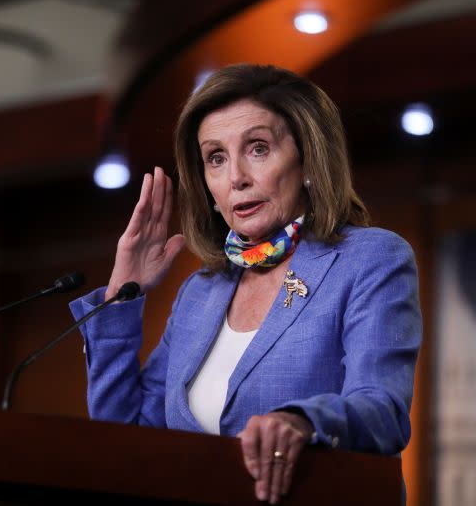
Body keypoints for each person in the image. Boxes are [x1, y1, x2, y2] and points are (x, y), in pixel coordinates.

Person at [69, 63, 422, 504]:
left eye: (257, 148)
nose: (236, 176)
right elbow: (125, 441)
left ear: (309, 160)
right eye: (216, 157)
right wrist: (122, 295)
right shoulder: (201, 292)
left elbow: (383, 411)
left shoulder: (369, 258)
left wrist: (303, 422)